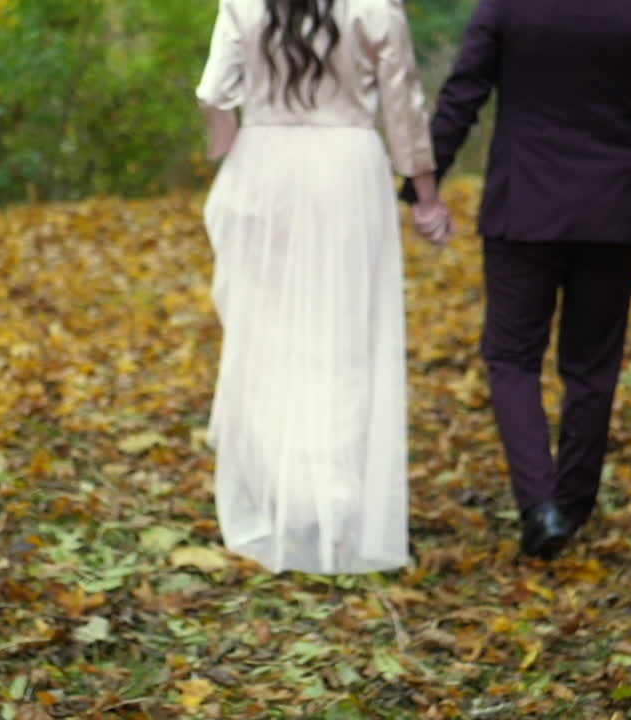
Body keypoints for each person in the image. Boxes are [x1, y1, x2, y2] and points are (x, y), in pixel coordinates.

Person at [402, 0, 631, 560]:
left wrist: (426, 180)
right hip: (611, 212)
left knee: (511, 358)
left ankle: (541, 507)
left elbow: (464, 94)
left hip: (523, 206)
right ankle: (572, 505)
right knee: (592, 365)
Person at [195, 0, 454, 574]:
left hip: (264, 166)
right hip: (345, 171)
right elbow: (404, 104)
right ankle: (336, 499)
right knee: (345, 336)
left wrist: (231, 151)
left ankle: (288, 489)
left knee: (267, 334)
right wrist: (426, 195)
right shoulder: (375, 6)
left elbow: (212, 92)